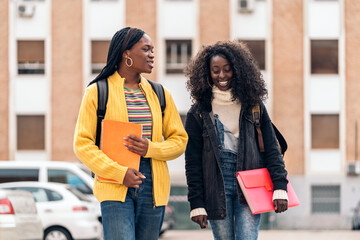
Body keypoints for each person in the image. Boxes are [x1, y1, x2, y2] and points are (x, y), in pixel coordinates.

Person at [73, 27, 188, 240]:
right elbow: (82, 144)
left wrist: (150, 148)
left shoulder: (160, 94)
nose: (152, 54)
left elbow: (180, 140)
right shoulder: (97, 91)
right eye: (146, 49)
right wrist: (119, 173)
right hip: (114, 182)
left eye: (153, 49)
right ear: (126, 53)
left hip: (153, 184)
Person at [184, 41, 288, 240]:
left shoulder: (254, 106)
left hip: (251, 182)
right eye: (215, 71)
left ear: (238, 71)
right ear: (207, 74)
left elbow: (272, 150)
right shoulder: (198, 113)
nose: (221, 76)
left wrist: (280, 186)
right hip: (215, 186)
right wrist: (196, 202)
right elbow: (193, 162)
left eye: (227, 69)